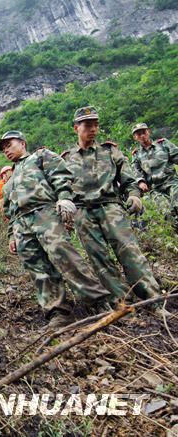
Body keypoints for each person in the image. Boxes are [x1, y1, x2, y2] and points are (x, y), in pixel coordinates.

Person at [0, 131, 112, 328]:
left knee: (64, 256)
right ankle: (58, 312)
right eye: (3, 148)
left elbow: (60, 175)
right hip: (21, 224)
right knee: (38, 269)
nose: (6, 150)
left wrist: (64, 197)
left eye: (9, 145)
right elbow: (9, 211)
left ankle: (99, 302)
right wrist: (11, 235)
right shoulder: (9, 179)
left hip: (44, 213)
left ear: (22, 143)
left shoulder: (41, 157)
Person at [65, 107, 162, 303]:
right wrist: (64, 213)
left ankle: (153, 300)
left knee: (130, 251)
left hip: (111, 207)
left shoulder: (110, 151)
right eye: (87, 125)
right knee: (99, 260)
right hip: (83, 213)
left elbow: (128, 179)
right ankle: (122, 303)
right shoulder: (66, 158)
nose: (93, 129)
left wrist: (134, 195)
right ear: (76, 128)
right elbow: (62, 189)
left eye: (96, 125)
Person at [131, 122, 178, 231]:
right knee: (166, 212)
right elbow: (136, 170)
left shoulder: (163, 145)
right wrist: (141, 182)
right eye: (138, 134)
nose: (142, 136)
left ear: (148, 132)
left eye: (144, 132)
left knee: (176, 204)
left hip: (172, 182)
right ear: (135, 137)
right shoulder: (137, 154)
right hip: (155, 188)